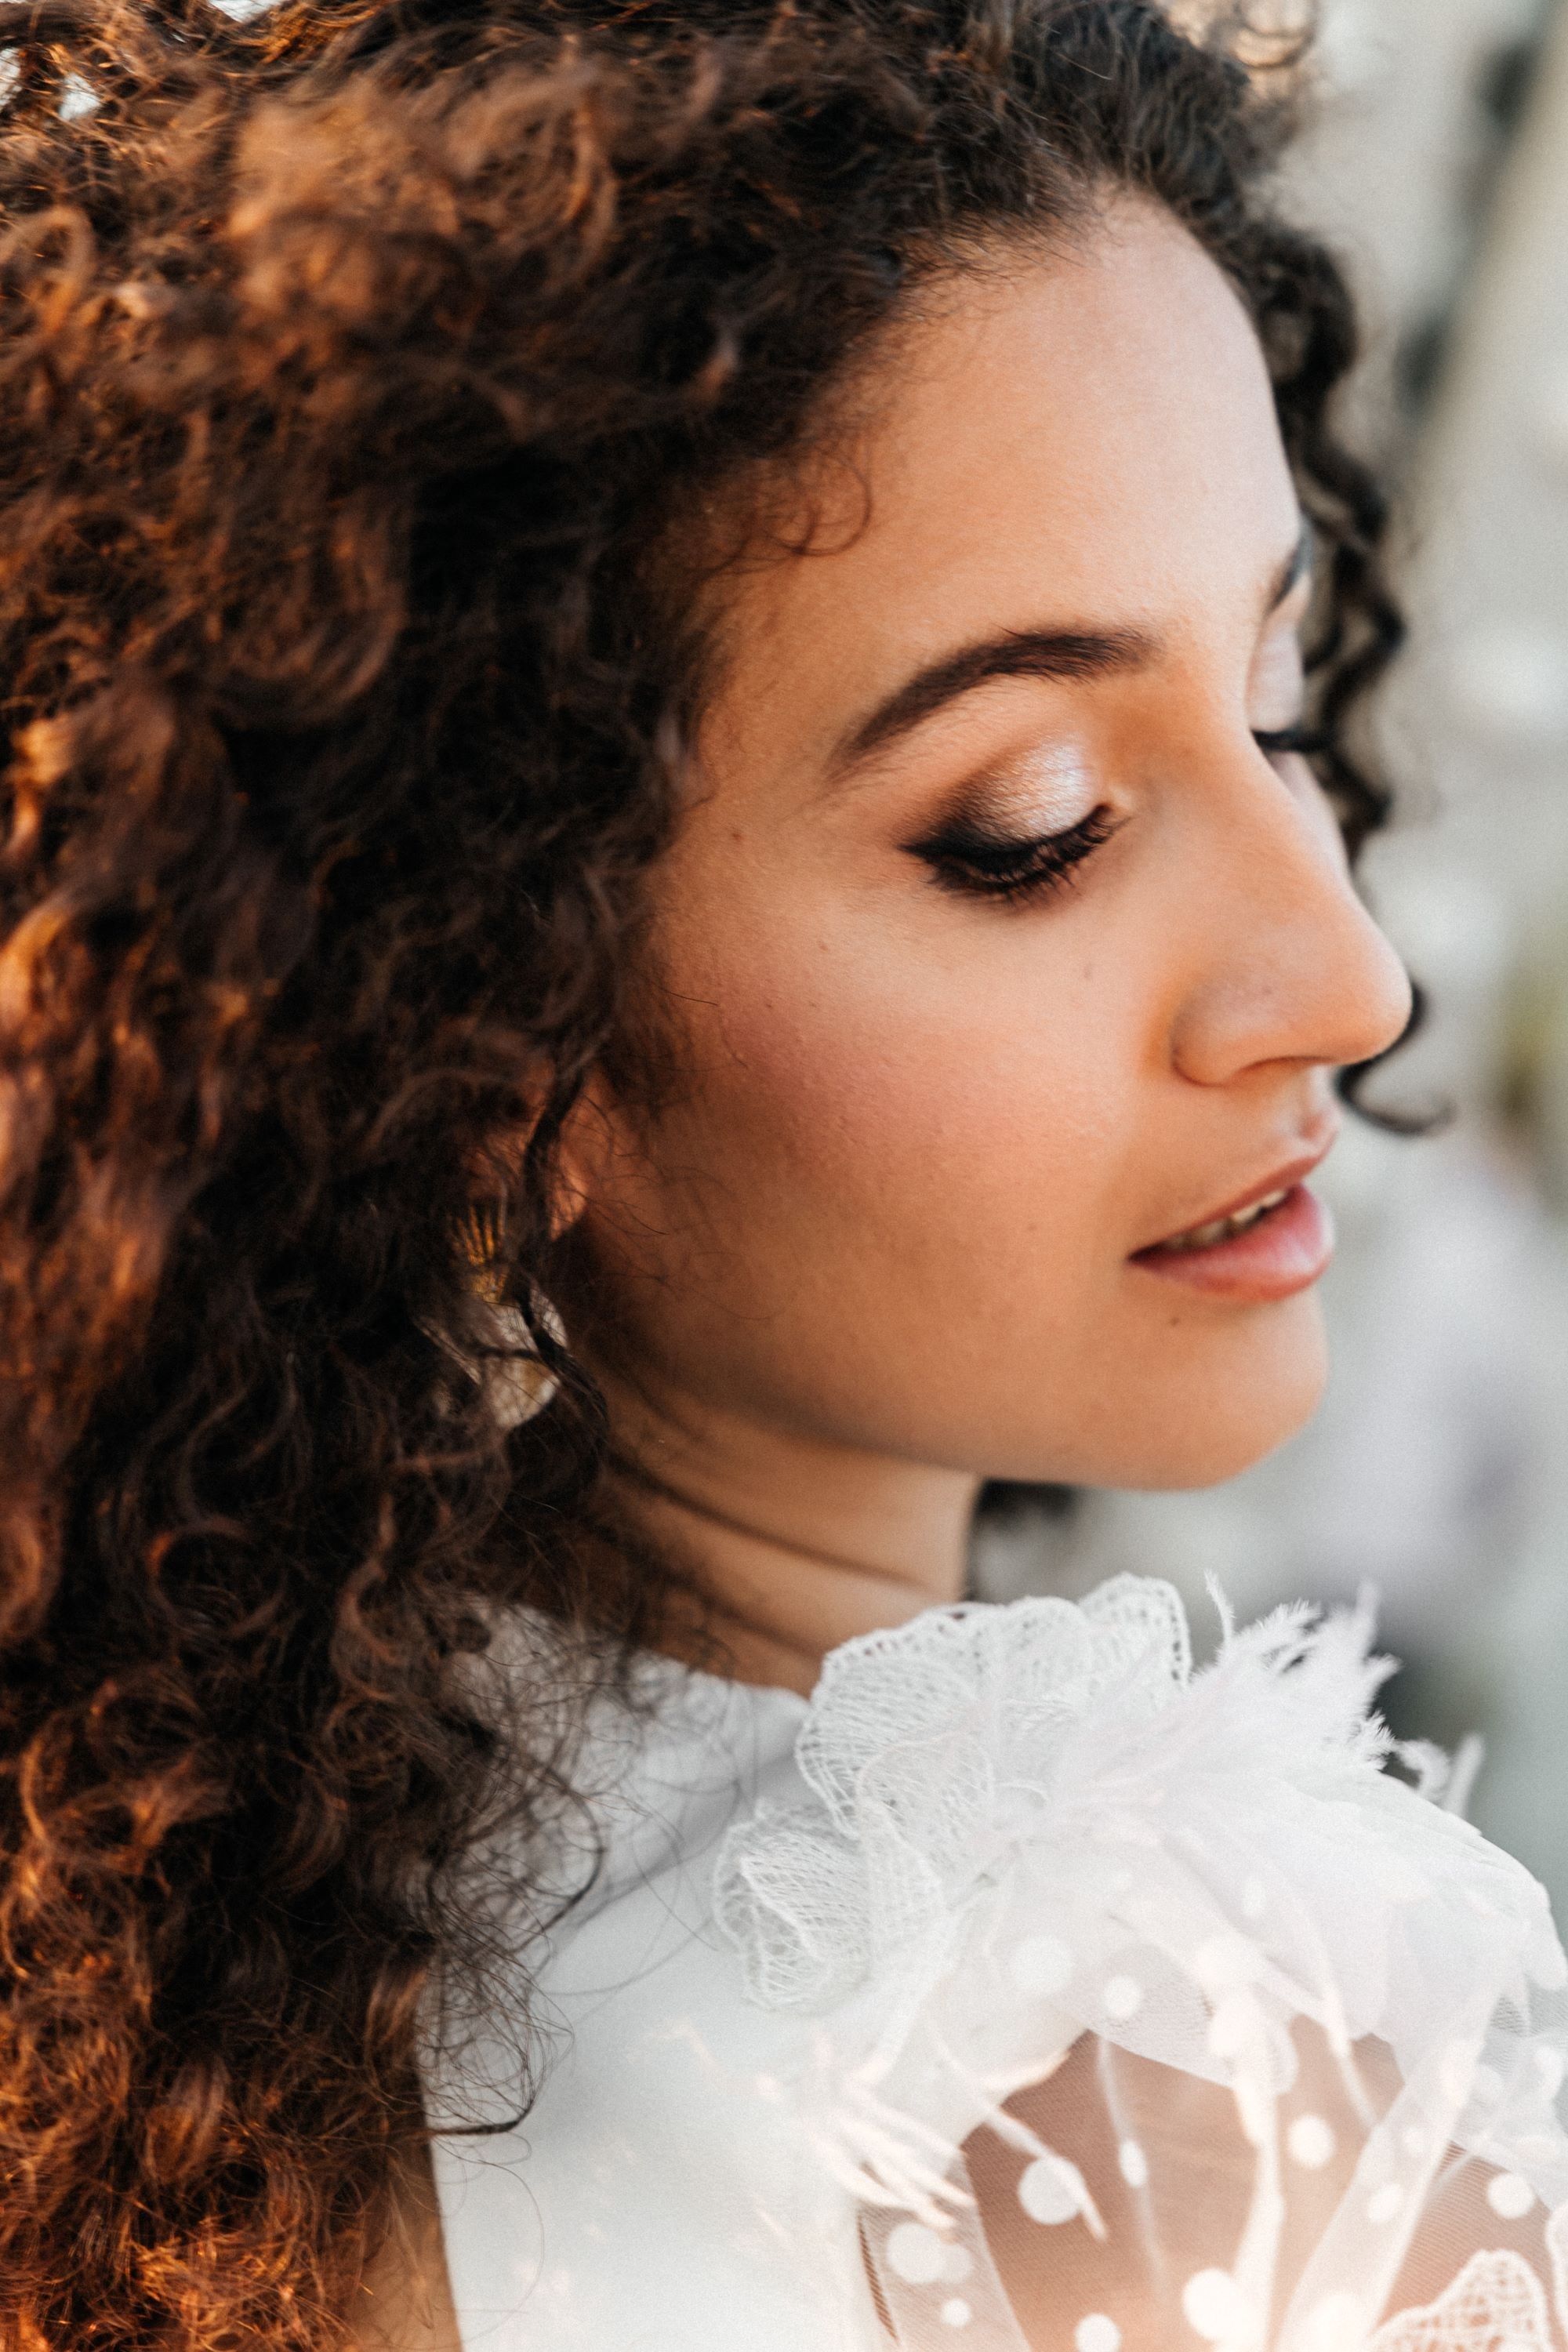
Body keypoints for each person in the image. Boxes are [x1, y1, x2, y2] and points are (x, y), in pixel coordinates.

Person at [3, 2, 1567, 2347]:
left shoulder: (153, 1939)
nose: (1347, 977)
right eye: (1032, 829)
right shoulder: (1173, 2097)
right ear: (488, 1025)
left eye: (1274, 704)